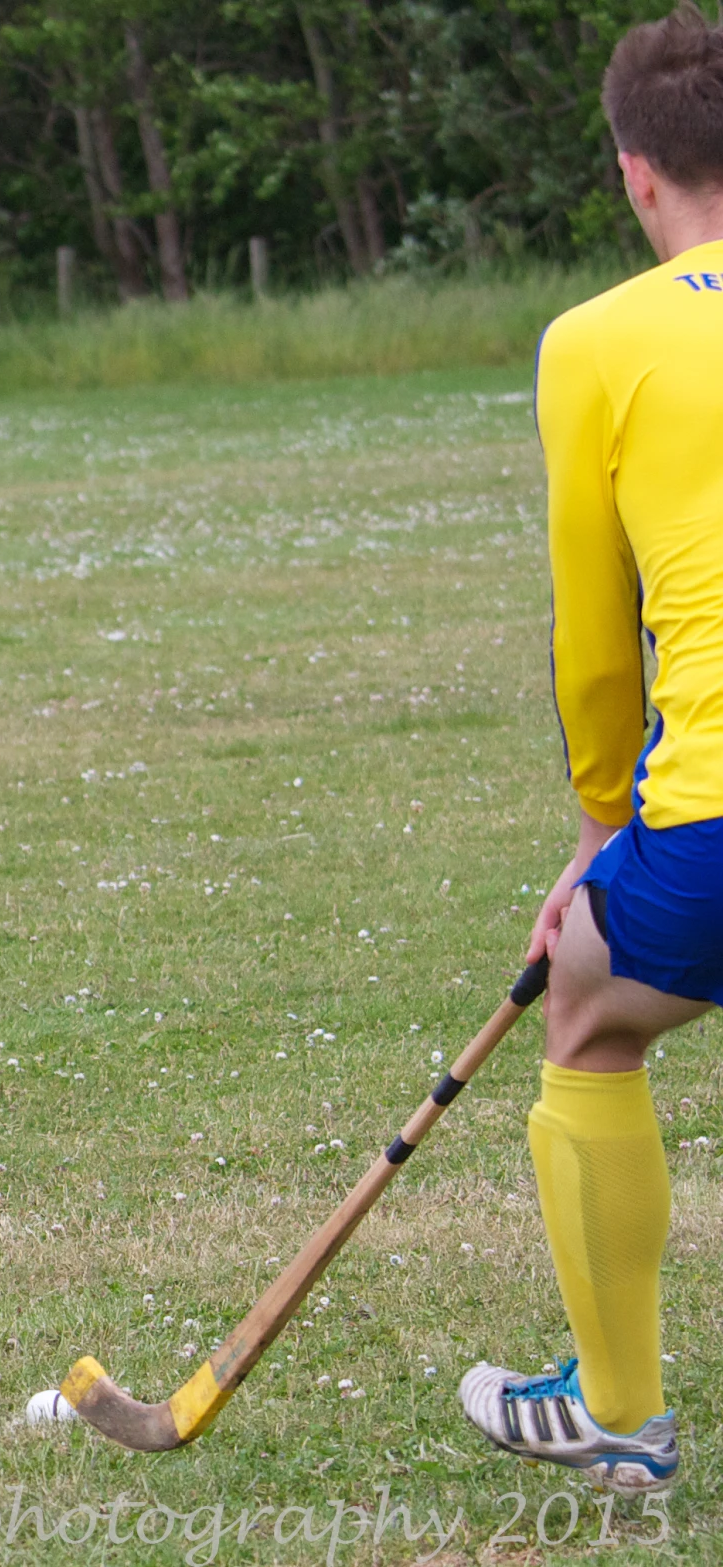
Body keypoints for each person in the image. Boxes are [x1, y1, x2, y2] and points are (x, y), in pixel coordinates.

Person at [456, 4, 723, 1496]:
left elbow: (594, 636)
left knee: (589, 1008)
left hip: (712, 805)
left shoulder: (600, 340)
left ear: (637, 175)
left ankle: (619, 1409)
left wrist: (596, 830)